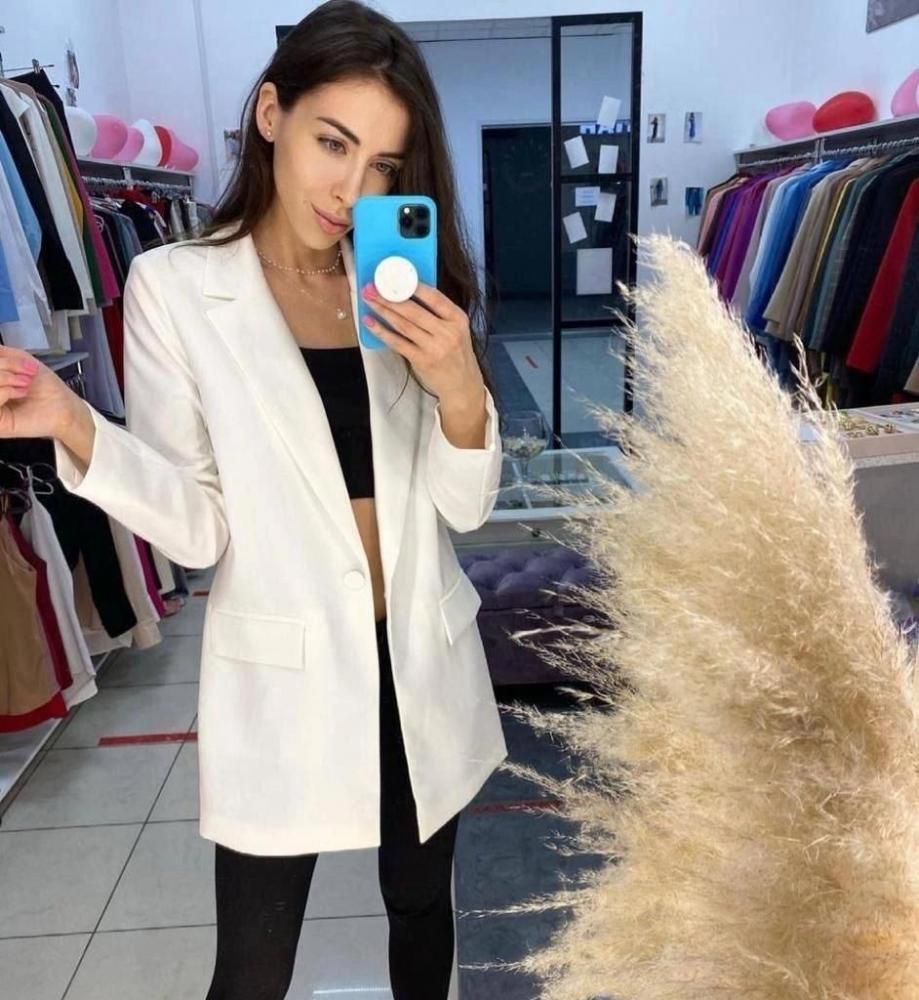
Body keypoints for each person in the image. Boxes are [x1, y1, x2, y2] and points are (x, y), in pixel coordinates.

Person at [0, 3, 507, 998]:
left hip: (419, 656)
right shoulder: (176, 288)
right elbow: (198, 526)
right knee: (252, 967)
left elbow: (463, 509)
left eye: (383, 166)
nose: (351, 189)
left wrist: (458, 389)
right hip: (284, 674)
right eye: (332, 143)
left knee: (420, 910)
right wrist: (74, 423)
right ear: (271, 114)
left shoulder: (400, 281)